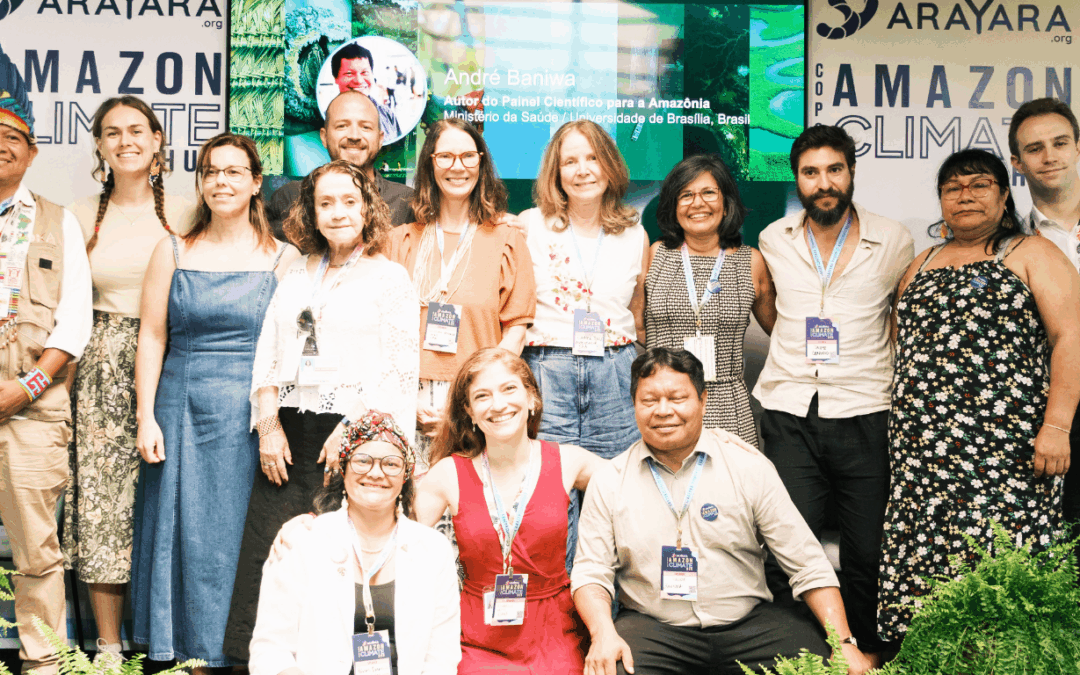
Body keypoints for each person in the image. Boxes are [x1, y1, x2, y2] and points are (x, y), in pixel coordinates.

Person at [877, 148, 1080, 641]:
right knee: (927, 583)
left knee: (1001, 580)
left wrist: (1056, 426)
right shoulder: (919, 263)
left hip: (1005, 456)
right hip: (922, 463)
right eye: (952, 188)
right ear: (941, 200)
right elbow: (904, 344)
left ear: (1004, 194)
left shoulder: (1031, 253)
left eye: (979, 185)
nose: (964, 196)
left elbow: (1070, 338)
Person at [223, 159, 420, 661]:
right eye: (325, 203)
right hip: (287, 442)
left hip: (354, 443)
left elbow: (399, 368)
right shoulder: (294, 273)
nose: (337, 213)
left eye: (348, 202)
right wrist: (268, 427)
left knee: (341, 564)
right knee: (273, 558)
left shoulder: (390, 278)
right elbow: (268, 354)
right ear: (309, 211)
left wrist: (354, 430)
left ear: (368, 208)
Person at [572, 347, 873, 675]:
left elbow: (807, 564)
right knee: (612, 669)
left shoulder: (747, 467)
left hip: (750, 626)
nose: (663, 410)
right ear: (633, 405)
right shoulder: (610, 480)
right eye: (649, 401)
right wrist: (603, 634)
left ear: (702, 400)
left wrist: (845, 643)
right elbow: (591, 573)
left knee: (820, 669)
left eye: (677, 398)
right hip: (654, 628)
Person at [131, 133, 299, 671]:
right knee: (184, 536)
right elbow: (152, 336)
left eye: (233, 172)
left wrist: (272, 419)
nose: (220, 182)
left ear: (256, 183)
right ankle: (187, 655)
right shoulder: (173, 250)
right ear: (200, 183)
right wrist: (146, 416)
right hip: (180, 410)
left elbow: (292, 350)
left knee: (236, 538)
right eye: (210, 172)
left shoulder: (285, 258)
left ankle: (244, 652)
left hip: (250, 419)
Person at [753, 125, 914, 656]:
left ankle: (866, 651)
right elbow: (771, 309)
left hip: (865, 408)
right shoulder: (774, 238)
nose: (824, 183)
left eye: (834, 170)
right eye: (811, 172)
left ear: (851, 172)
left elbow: (899, 313)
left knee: (867, 548)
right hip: (789, 409)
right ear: (796, 178)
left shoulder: (893, 239)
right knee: (792, 545)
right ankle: (804, 653)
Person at [63, 95, 194, 665]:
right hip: (100, 371)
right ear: (98, 145)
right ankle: (109, 646)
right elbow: (65, 307)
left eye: (137, 130)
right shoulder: (77, 212)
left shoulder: (191, 207)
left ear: (159, 139)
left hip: (180, 361)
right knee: (104, 506)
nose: (126, 141)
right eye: (112, 133)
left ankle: (173, 640)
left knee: (173, 501)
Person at [414, 348, 602, 674]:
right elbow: (390, 531)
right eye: (482, 396)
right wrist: (314, 525)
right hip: (477, 637)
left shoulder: (570, 461)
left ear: (533, 399)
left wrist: (707, 442)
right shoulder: (448, 473)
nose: (498, 404)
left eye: (509, 389)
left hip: (558, 631)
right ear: (470, 412)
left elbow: (636, 486)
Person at [519, 119, 648, 569]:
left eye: (592, 158)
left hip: (614, 373)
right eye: (569, 161)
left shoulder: (634, 232)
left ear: (609, 166)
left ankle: (606, 612)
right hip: (547, 369)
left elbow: (638, 309)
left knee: (612, 490)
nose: (582, 169)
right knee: (547, 495)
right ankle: (556, 615)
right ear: (555, 172)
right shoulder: (531, 225)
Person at [0, 51, 93, 675]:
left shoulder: (60, 223)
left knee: (36, 548)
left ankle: (43, 665)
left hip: (31, 413)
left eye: (14, 137)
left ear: (33, 153)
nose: (2, 145)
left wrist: (24, 389)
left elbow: (74, 326)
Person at [249, 410, 460, 675]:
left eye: (391, 464)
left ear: (405, 476)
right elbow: (270, 651)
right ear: (343, 469)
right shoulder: (302, 541)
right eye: (362, 460)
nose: (376, 473)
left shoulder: (433, 550)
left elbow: (442, 658)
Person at [387, 118, 535, 471]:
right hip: (405, 398)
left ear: (482, 163)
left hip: (479, 400)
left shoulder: (506, 239)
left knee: (469, 514)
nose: (458, 167)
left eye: (469, 156)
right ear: (429, 164)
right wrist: (405, 400)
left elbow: (516, 328)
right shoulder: (398, 241)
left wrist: (469, 400)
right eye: (446, 157)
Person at [645, 154, 775, 447]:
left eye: (708, 193)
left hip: (728, 406)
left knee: (731, 490)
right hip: (663, 405)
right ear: (673, 205)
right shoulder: (656, 255)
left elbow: (781, 331)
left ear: (726, 202)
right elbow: (635, 325)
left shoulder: (750, 262)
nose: (698, 203)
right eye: (686, 195)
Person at [1009, 97, 1080, 559]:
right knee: (1063, 540)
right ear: (1017, 163)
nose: (1049, 156)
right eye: (1034, 149)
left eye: (1059, 143)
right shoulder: (1010, 242)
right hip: (1050, 411)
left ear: (1078, 148)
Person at [267, 90, 413, 237]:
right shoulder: (289, 197)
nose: (354, 136)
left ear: (381, 139)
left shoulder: (407, 202)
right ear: (324, 137)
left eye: (365, 127)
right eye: (342, 126)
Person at [331, 43, 400, 139]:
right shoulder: (328, 119)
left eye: (364, 72)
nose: (359, 80)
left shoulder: (388, 114)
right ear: (336, 78)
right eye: (349, 73)